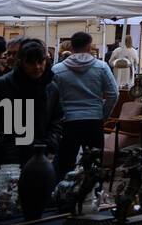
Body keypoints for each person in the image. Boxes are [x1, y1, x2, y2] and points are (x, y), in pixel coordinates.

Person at [0, 38, 63, 171]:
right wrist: (4, 146)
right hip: (7, 158)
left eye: (40, 61)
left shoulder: (51, 87)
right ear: (21, 62)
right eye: (31, 63)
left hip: (40, 154)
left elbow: (57, 119)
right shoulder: (0, 85)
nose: (37, 67)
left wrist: (49, 143)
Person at [50, 31, 119, 178]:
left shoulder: (57, 70)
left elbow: (51, 97)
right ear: (89, 47)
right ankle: (93, 191)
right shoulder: (101, 67)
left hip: (68, 122)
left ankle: (62, 190)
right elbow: (113, 94)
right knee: (94, 167)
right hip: (94, 120)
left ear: (72, 47)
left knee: (64, 165)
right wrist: (103, 115)